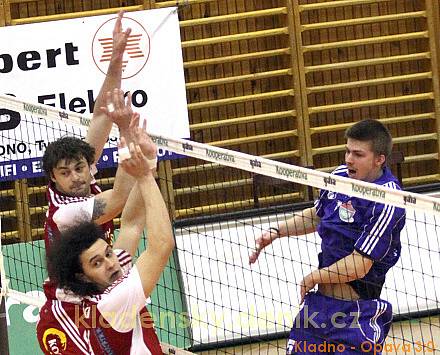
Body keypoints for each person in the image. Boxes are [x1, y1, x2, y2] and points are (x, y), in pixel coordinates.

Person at [249, 119, 406, 354]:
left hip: (356, 316)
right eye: (347, 151)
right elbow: (318, 215)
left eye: (358, 154)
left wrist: (314, 277)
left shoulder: (388, 199)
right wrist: (276, 232)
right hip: (318, 308)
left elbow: (359, 264)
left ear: (379, 159)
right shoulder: (340, 177)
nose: (348, 159)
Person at [37, 126, 174, 354]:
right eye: (97, 263)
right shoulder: (115, 301)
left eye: (108, 254)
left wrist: (147, 162)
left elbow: (131, 225)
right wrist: (144, 172)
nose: (111, 262)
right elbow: (160, 245)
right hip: (62, 314)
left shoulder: (109, 278)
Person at [41, 11, 148, 251]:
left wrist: (116, 59)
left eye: (79, 168)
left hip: (100, 276)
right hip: (75, 289)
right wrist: (125, 129)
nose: (76, 177)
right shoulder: (66, 214)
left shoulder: (85, 178)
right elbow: (119, 199)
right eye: (65, 173)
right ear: (53, 177)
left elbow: (102, 113)